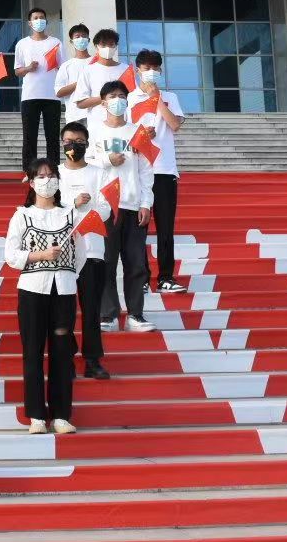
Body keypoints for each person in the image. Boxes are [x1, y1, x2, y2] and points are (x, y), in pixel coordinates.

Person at [4, 159, 85, 435]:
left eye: (51, 176)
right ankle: (37, 415)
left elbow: (81, 255)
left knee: (62, 352)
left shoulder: (70, 215)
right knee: (33, 352)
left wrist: (66, 273)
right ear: (31, 182)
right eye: (40, 176)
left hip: (63, 291)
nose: (46, 180)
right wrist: (41, 256)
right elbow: (11, 255)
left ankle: (61, 415)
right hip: (32, 291)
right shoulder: (22, 216)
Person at [88, 80, 156, 333]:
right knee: (106, 262)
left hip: (132, 205)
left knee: (136, 263)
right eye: (112, 96)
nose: (117, 100)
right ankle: (108, 315)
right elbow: (85, 163)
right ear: (103, 102)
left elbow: (146, 170)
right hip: (105, 206)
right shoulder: (93, 131)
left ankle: (136, 315)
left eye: (121, 96)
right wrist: (107, 160)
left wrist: (146, 203)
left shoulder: (138, 132)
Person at [58, 120, 113, 379]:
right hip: (62, 252)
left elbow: (106, 208)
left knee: (91, 309)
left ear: (87, 144)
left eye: (79, 142)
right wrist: (74, 204)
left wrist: (86, 216)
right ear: (62, 143)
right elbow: (49, 208)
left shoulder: (99, 173)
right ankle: (66, 358)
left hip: (92, 250)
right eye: (69, 141)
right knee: (64, 310)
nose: (74, 146)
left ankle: (92, 360)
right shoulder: (54, 174)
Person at [134, 49, 189, 294]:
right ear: (138, 70)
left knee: (165, 227)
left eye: (155, 68)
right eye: (147, 68)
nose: (151, 72)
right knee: (138, 228)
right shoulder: (129, 98)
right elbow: (125, 134)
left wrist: (156, 97)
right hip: (138, 171)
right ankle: (141, 278)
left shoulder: (170, 97)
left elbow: (175, 124)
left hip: (165, 170)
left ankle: (166, 277)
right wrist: (142, 136)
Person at [14, 8, 64, 176]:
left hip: (52, 96)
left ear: (46, 21)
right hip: (30, 96)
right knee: (29, 136)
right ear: (30, 23)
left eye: (42, 18)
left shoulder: (56, 42)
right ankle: (29, 172)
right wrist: (29, 68)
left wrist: (56, 67)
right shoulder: (22, 44)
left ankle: (53, 171)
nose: (39, 21)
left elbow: (63, 68)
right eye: (35, 18)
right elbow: (17, 71)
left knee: (52, 136)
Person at [71, 28, 127, 122]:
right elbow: (80, 103)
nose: (107, 48)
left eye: (111, 44)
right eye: (103, 45)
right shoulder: (88, 70)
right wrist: (107, 98)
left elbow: (132, 97)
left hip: (123, 122)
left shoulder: (126, 69)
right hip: (97, 123)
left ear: (116, 46)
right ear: (96, 47)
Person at [53, 23, 93, 109]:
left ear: (88, 40)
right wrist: (80, 83)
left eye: (84, 36)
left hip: (94, 113)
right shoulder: (66, 66)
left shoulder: (96, 62)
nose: (81, 39)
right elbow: (59, 92)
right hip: (74, 113)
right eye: (77, 37)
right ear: (71, 41)